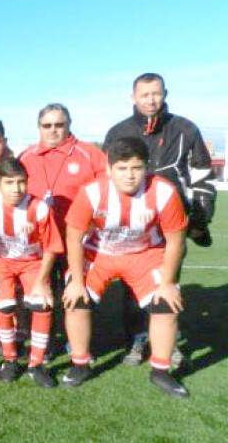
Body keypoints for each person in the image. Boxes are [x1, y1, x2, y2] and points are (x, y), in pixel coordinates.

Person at [62, 137, 190, 398]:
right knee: (76, 300)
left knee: (166, 303)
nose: (130, 175)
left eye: (136, 168)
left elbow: (176, 241)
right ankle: (80, 363)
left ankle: (161, 371)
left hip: (145, 253)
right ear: (109, 169)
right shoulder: (92, 192)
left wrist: (167, 283)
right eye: (122, 168)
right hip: (99, 253)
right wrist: (76, 280)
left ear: (147, 167)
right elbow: (74, 237)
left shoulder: (164, 191)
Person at [105, 73, 216, 367]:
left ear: (165, 93)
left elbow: (203, 177)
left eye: (156, 93)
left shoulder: (185, 129)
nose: (150, 100)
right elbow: (107, 179)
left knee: (169, 284)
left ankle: (167, 342)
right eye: (144, 94)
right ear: (133, 97)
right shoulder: (118, 132)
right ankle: (137, 340)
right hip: (132, 225)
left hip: (172, 224)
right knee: (131, 286)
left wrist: (200, 218)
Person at [19, 103, 107, 355]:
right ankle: (42, 342)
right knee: (42, 290)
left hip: (77, 241)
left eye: (59, 125)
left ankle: (75, 343)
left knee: (75, 291)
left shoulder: (89, 154)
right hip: (41, 241)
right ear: (39, 128)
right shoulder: (26, 157)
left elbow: (107, 190)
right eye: (47, 126)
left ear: (69, 126)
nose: (53, 131)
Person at [0, 158, 63, 387]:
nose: (16, 189)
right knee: (5, 306)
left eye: (21, 182)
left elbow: (51, 247)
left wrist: (42, 281)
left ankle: (36, 364)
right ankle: (10, 360)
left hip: (32, 262)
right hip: (1, 261)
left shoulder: (39, 207)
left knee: (42, 304)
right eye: (9, 183)